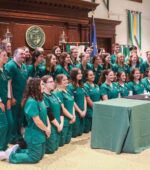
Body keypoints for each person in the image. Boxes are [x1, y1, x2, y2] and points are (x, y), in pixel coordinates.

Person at [0, 78, 50, 163]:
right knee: (34, 158)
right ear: (35, 87)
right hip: (34, 134)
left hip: (41, 132)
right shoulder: (31, 102)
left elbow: (46, 115)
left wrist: (48, 128)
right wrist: (46, 129)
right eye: (42, 84)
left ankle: (16, 150)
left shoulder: (40, 99)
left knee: (40, 155)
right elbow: (37, 120)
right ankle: (10, 155)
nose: (44, 86)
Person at [5, 47, 28, 144]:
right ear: (15, 55)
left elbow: (25, 81)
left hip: (22, 97)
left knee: (20, 118)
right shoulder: (10, 66)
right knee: (13, 118)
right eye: (21, 54)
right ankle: (12, 137)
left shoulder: (24, 66)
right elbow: (8, 83)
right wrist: (11, 97)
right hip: (14, 98)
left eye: (24, 54)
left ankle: (18, 135)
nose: (23, 55)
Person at [42, 75, 64, 154]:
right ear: (44, 84)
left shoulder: (54, 94)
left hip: (58, 124)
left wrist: (61, 123)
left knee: (56, 148)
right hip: (52, 126)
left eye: (53, 81)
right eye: (50, 82)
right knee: (50, 150)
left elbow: (61, 110)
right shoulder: (43, 96)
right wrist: (58, 125)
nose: (53, 83)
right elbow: (49, 113)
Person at [55, 74, 75, 146]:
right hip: (65, 120)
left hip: (71, 118)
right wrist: (71, 117)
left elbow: (72, 103)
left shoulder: (68, 90)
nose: (66, 81)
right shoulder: (58, 93)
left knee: (68, 141)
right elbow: (62, 108)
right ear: (58, 82)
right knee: (62, 143)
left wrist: (73, 116)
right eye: (64, 80)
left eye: (67, 79)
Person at [67, 68, 87, 137]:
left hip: (83, 112)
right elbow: (72, 101)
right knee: (75, 134)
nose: (81, 75)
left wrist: (84, 110)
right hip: (76, 113)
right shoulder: (70, 87)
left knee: (81, 133)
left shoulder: (81, 85)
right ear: (74, 75)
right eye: (78, 73)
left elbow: (84, 98)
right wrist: (80, 112)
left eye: (81, 73)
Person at [0, 49, 13, 151]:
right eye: (4, 55)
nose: (6, 57)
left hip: (6, 100)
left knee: (11, 123)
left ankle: (5, 145)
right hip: (0, 102)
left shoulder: (5, 70)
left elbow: (8, 85)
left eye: (6, 55)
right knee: (3, 125)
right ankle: (1, 147)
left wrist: (8, 98)